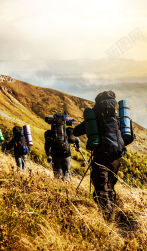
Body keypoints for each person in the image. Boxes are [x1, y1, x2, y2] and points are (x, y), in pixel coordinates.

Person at [73, 91, 134, 220]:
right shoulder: (118, 116)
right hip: (116, 158)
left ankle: (107, 219)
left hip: (100, 157)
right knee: (110, 187)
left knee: (101, 189)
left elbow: (77, 131)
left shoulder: (95, 115)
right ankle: (111, 213)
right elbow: (130, 137)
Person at [44, 115, 81, 182]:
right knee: (66, 172)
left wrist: (48, 154)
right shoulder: (68, 132)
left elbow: (46, 145)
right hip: (66, 154)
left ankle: (59, 187)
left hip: (55, 155)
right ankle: (67, 187)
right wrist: (78, 147)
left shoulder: (50, 134)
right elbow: (76, 139)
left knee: (57, 174)